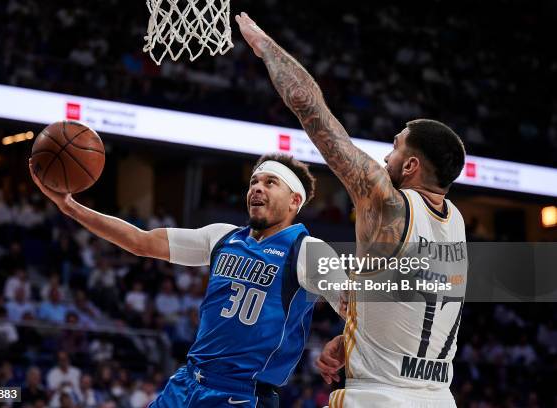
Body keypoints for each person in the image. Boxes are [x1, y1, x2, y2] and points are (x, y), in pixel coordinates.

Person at [237, 13, 467, 408]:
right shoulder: (456, 221)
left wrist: (263, 47)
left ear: (411, 167)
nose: (385, 156)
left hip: (379, 397)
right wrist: (351, 339)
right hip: (440, 397)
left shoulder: (388, 204)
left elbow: (315, 115)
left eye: (395, 147)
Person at [30, 152, 346, 407]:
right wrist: (69, 207)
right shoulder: (222, 237)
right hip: (187, 383)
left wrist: (345, 339)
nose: (257, 188)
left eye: (270, 182)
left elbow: (357, 306)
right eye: (254, 181)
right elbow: (141, 242)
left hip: (242, 395)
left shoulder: (307, 251)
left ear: (294, 202)